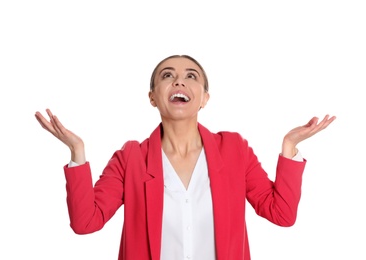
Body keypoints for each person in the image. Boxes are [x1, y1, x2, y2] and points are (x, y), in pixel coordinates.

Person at [35, 54, 336, 260]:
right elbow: (86, 222)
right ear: (152, 96)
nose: (179, 82)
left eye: (191, 76)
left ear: (204, 97)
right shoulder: (130, 158)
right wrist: (77, 153)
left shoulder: (234, 150)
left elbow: (281, 214)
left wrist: (289, 148)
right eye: (168, 76)